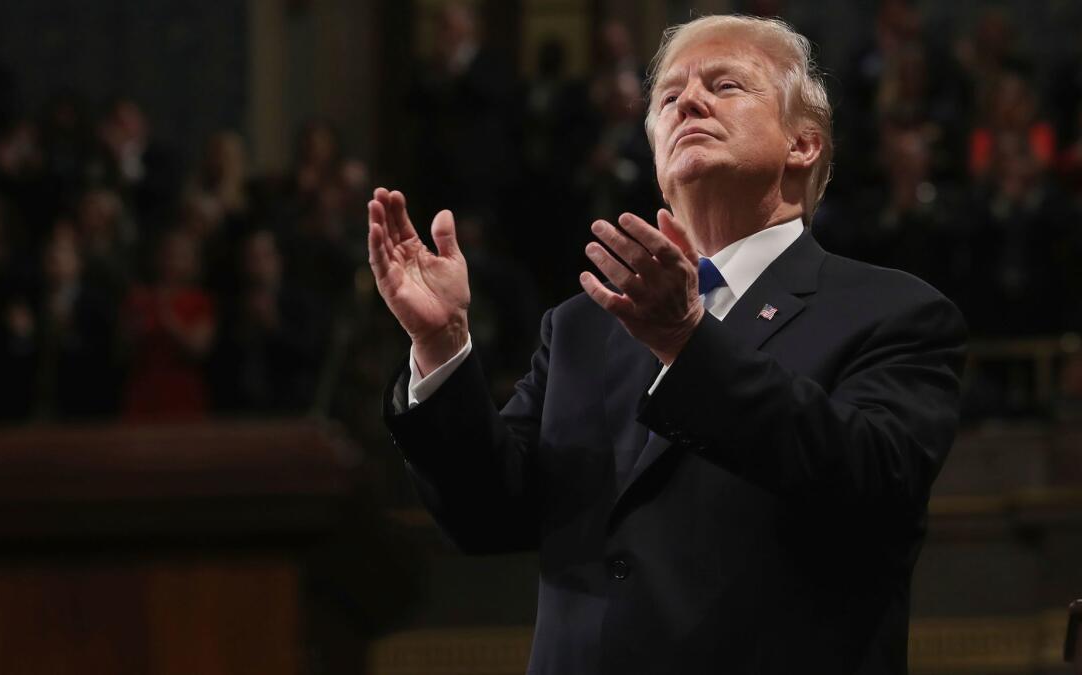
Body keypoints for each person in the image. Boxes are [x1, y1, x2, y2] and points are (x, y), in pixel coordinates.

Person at [367, 15, 966, 675]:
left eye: (726, 84)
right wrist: (443, 348)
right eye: (669, 97)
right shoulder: (583, 327)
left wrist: (688, 343)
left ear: (804, 144)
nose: (690, 101)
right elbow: (486, 515)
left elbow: (874, 483)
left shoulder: (891, 311)